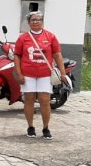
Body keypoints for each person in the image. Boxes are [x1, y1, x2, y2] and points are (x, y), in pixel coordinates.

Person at [14, 11, 67, 140]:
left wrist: (63, 73)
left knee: (44, 101)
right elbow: (17, 56)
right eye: (33, 20)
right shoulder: (23, 38)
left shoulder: (50, 36)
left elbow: (57, 55)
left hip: (44, 74)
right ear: (29, 22)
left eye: (38, 19)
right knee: (29, 100)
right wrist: (19, 73)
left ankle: (45, 127)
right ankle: (30, 126)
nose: (36, 22)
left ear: (42, 21)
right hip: (28, 74)